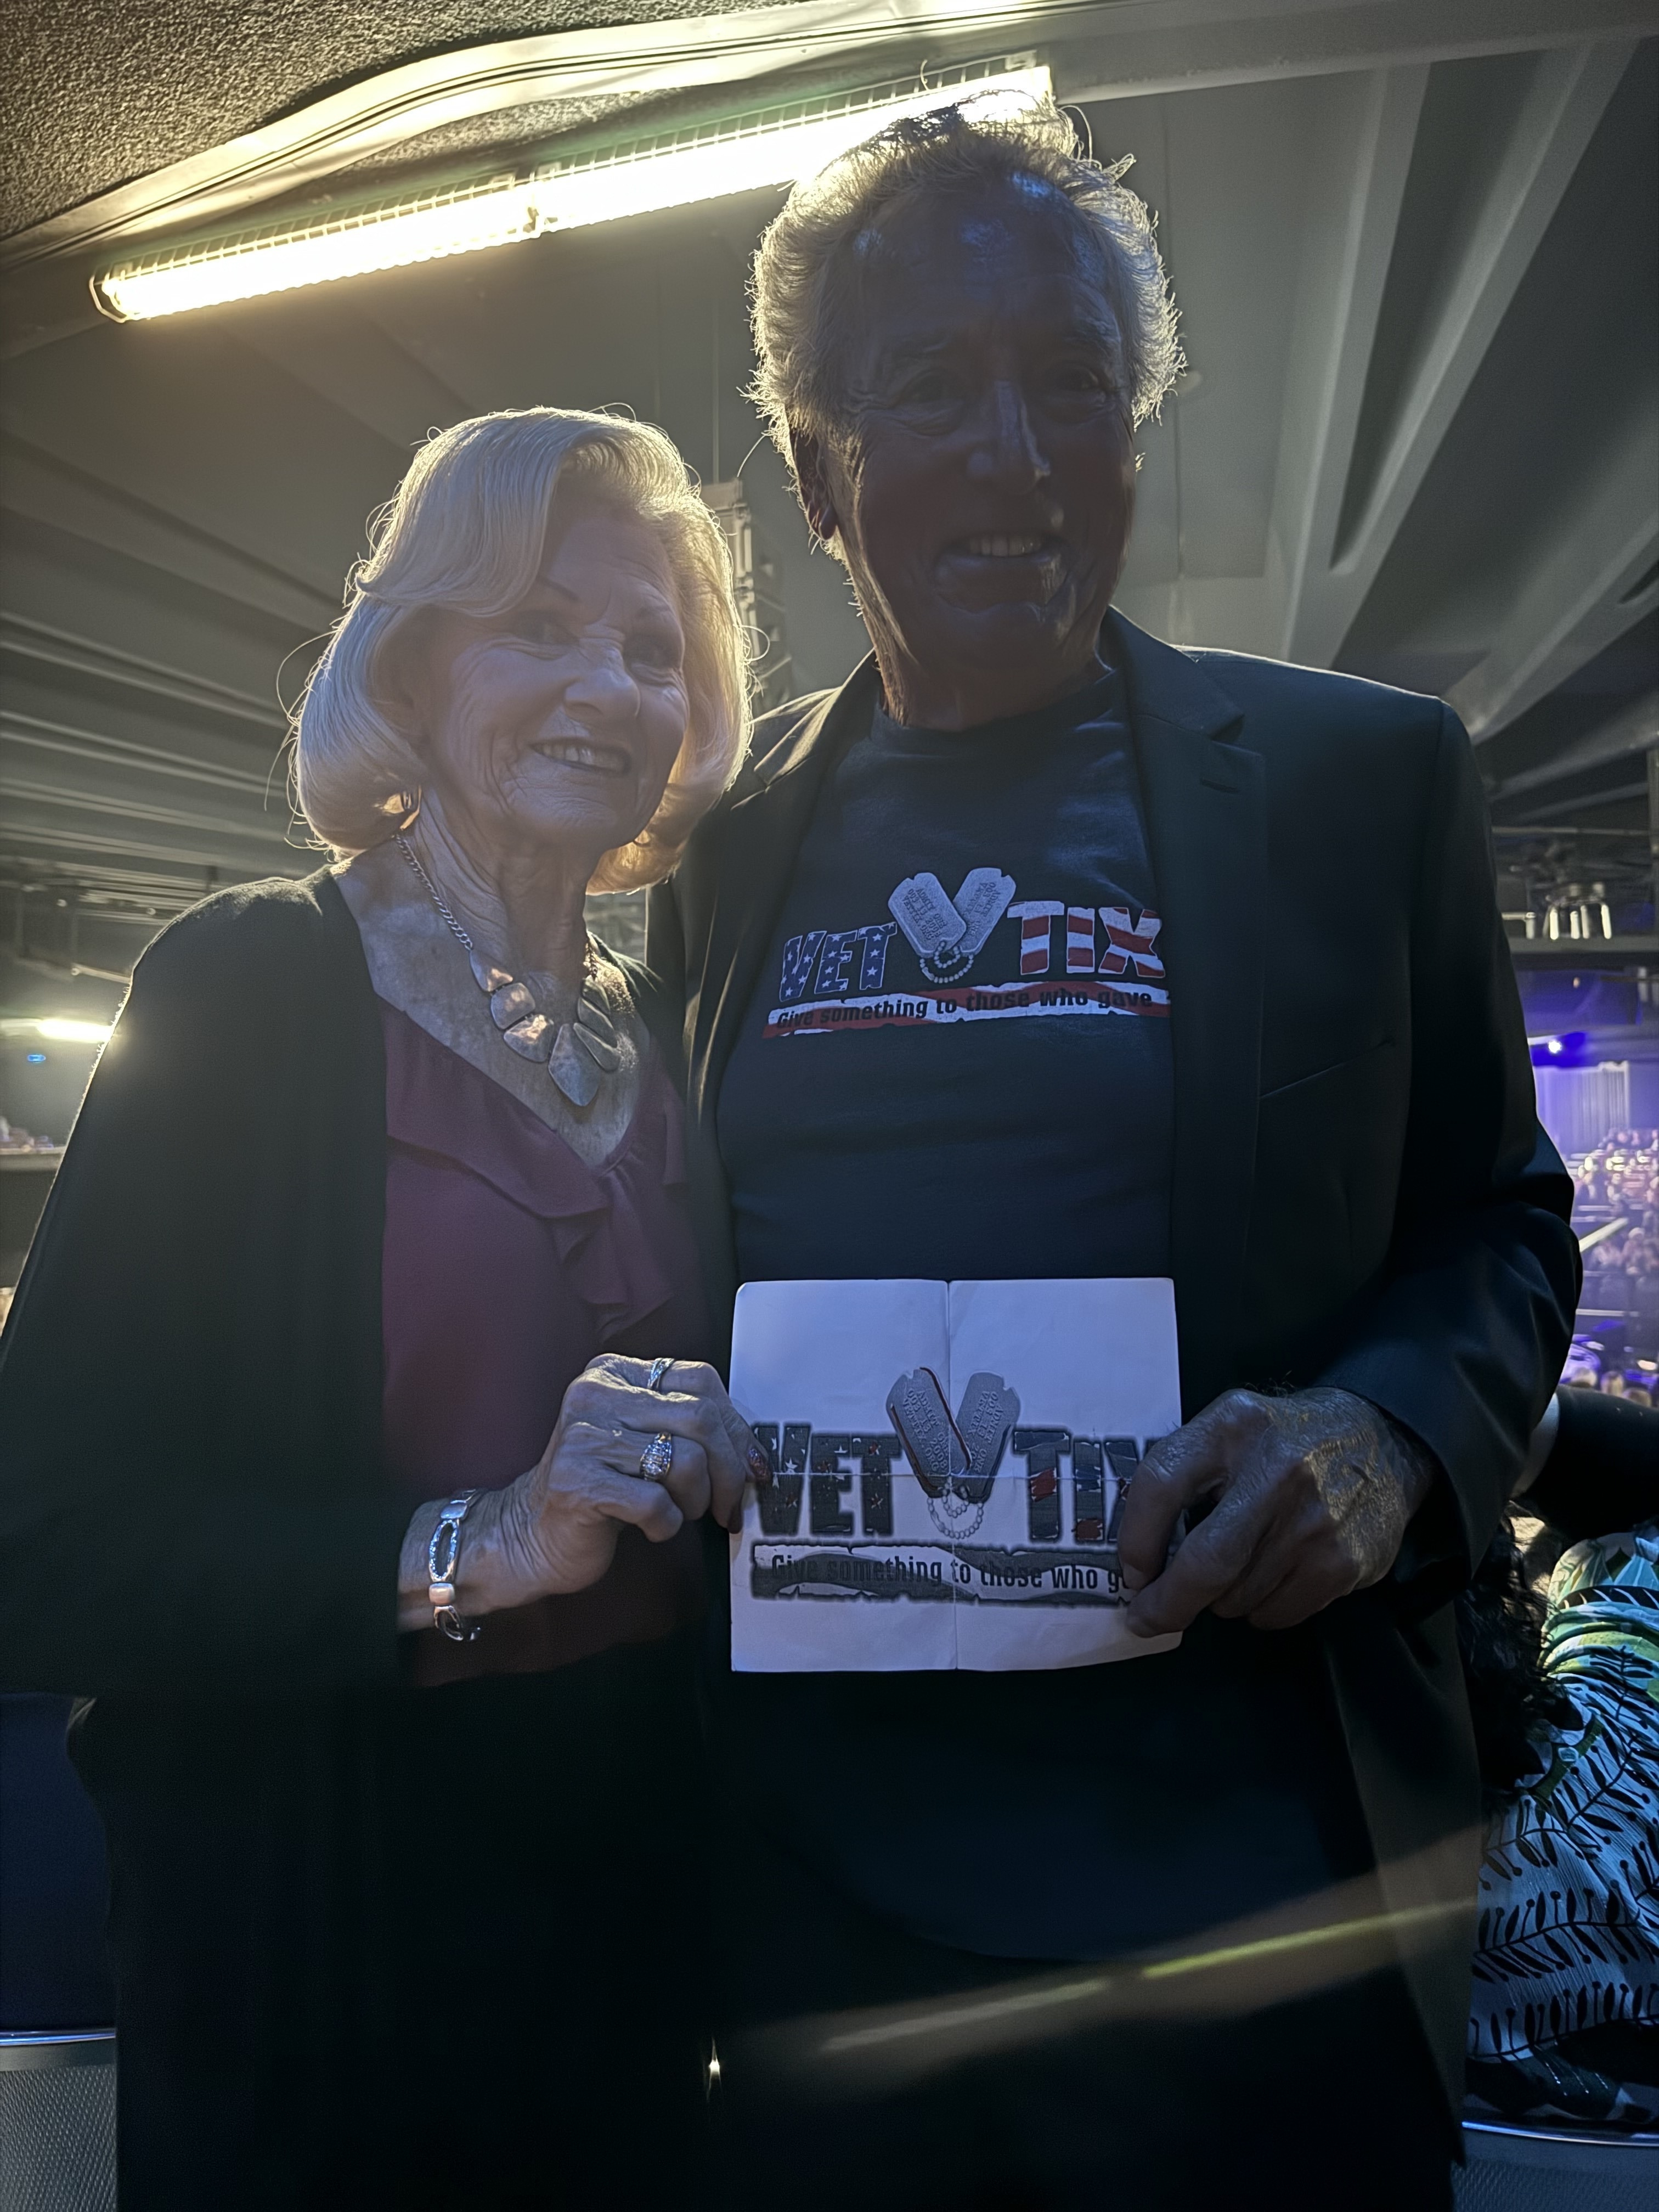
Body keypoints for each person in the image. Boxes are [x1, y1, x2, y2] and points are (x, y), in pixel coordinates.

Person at [647, 100, 1579, 2210]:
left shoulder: (1361, 784)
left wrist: (1385, 1434)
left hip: (1254, 1897)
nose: (1018, 452)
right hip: (821, 1909)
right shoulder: (719, 851)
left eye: (1074, 384)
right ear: (816, 471)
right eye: (932, 388)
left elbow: (1504, 1223)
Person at [0, 408, 769, 2208]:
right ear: (414, 667)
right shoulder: (250, 988)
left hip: (630, 1933)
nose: (607, 686)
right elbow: (45, 1544)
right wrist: (480, 1541)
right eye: (538, 627)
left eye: (650, 650)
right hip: (326, 1938)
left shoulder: (673, 1035)